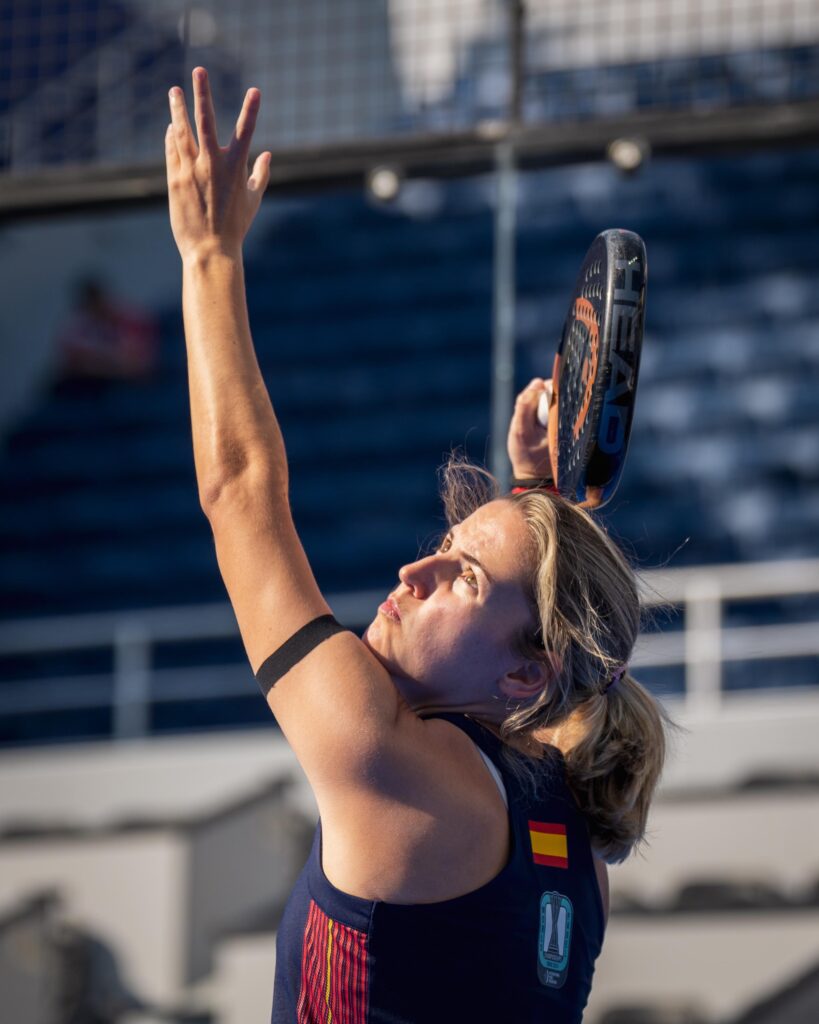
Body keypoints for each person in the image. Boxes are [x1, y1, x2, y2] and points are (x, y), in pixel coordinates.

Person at [165, 67, 670, 1023]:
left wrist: (208, 254)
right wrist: (530, 500)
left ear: (524, 674)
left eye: (460, 575)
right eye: (445, 544)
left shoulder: (381, 753)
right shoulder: (572, 842)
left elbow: (239, 494)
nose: (414, 570)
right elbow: (553, 648)